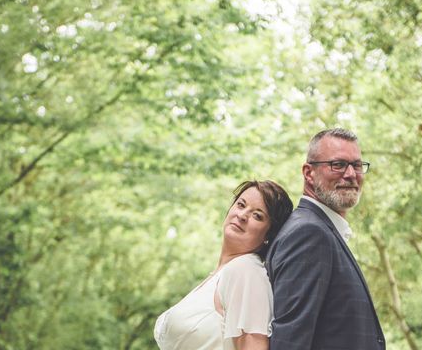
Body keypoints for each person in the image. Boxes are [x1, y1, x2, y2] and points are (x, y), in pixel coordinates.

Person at [266, 128, 386, 350]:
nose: (351, 174)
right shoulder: (309, 234)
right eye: (338, 165)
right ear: (309, 173)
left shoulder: (321, 230)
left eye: (357, 165)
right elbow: (290, 340)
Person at [154, 180, 294, 350]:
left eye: (257, 215)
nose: (242, 215)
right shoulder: (222, 273)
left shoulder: (245, 271)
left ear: (268, 234)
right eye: (241, 205)